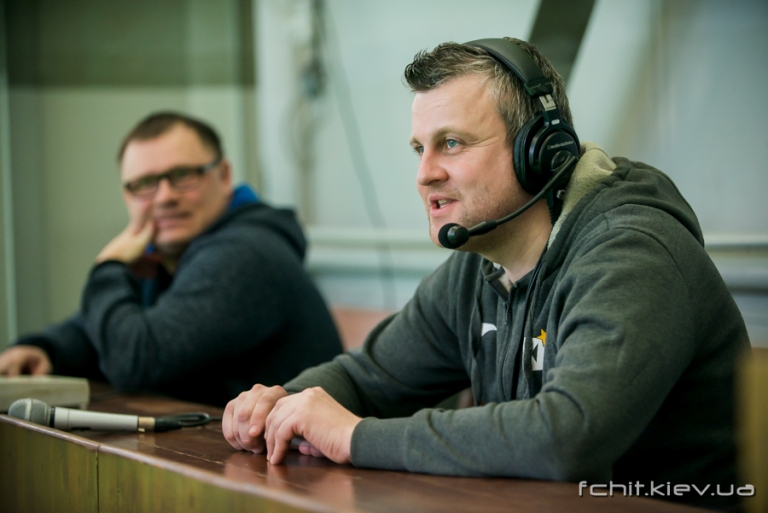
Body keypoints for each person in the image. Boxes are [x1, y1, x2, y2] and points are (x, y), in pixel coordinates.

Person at [221, 39, 749, 510]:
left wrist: (354, 437)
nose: (425, 173)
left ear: (540, 152)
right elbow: (368, 378)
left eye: (452, 143)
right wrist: (282, 404)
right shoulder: (477, 267)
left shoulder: (633, 253)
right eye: (419, 148)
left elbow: (566, 438)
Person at [0, 111, 343, 407]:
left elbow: (136, 360)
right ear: (127, 196)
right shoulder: (165, 255)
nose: (164, 197)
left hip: (291, 463)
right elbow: (104, 330)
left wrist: (108, 266)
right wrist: (47, 350)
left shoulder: (245, 255)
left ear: (223, 176)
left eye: (182, 176)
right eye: (145, 183)